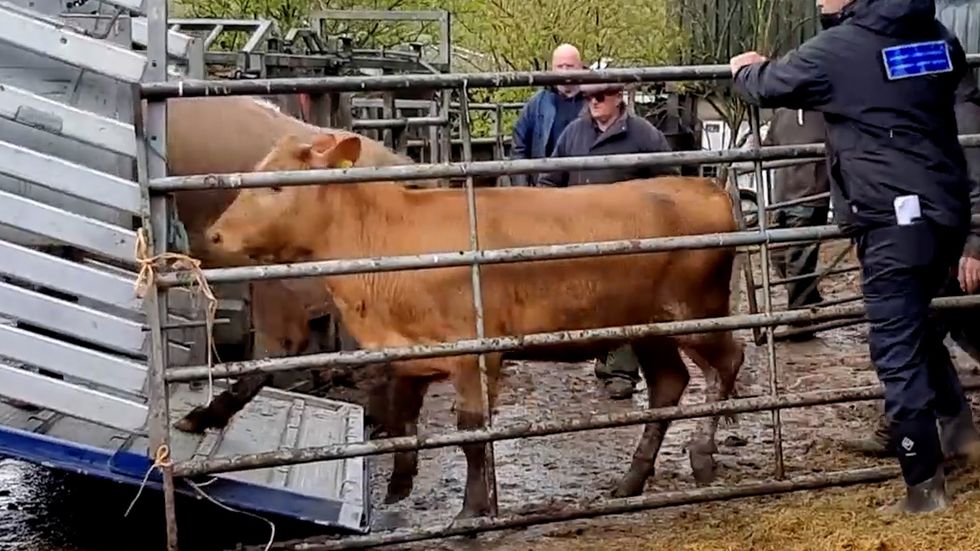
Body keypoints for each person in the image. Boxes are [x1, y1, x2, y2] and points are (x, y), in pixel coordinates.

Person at [730, 0, 978, 514]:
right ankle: (961, 437)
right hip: (943, 210)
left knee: (896, 348)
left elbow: (767, 85)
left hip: (890, 218)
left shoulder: (840, 48)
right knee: (924, 326)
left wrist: (744, 68)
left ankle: (924, 490)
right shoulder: (935, 37)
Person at [842, 69, 980, 461]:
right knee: (922, 332)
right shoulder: (934, 109)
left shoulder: (961, 112)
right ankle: (952, 429)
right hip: (935, 240)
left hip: (955, 248)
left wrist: (975, 243)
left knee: (918, 333)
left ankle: (934, 429)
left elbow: (977, 179)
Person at [538, 81, 678, 399]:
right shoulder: (574, 133)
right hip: (580, 235)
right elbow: (549, 178)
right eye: (589, 97)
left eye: (600, 96)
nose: (594, 102)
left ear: (618, 98)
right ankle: (604, 364)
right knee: (594, 302)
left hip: (628, 238)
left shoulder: (643, 134)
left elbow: (670, 180)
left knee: (624, 301)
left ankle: (621, 372)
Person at [763, 108, 831, 341]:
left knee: (798, 261)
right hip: (781, 197)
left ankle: (800, 324)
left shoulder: (825, 113)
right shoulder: (782, 113)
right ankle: (809, 299)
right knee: (777, 256)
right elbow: (767, 147)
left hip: (811, 196)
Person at [510, 44, 587, 186]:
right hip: (545, 188)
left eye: (569, 66)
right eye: (560, 66)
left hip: (583, 188)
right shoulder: (537, 104)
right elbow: (518, 148)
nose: (564, 72)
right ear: (552, 68)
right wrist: (523, 190)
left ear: (581, 67)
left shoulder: (594, 102)